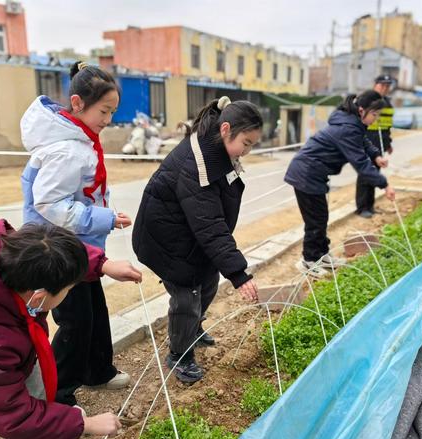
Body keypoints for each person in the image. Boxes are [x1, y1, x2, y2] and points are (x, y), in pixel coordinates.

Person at [0, 220, 142, 439]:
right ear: (38, 298)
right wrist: (85, 425)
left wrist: (103, 264)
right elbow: (14, 413)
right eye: (69, 289)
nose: (70, 291)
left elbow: (51, 248)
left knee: (35, 386)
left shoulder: (10, 248)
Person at [20, 61, 133, 406]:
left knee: (94, 311)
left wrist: (103, 219)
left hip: (80, 246)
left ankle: (98, 369)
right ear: (78, 102)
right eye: (104, 110)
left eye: (113, 111)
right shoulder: (66, 148)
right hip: (59, 248)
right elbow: (50, 205)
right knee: (74, 322)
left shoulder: (78, 139)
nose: (108, 119)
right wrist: (104, 218)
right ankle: (58, 392)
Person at [132, 96, 262, 384]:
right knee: (186, 298)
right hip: (167, 239)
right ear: (226, 128)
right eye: (247, 143)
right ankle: (179, 354)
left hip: (190, 233)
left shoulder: (216, 147)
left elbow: (210, 221)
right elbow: (210, 224)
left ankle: (193, 329)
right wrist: (239, 273)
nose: (248, 151)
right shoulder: (196, 164)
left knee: (208, 284)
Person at [285, 90, 396, 278]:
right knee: (315, 220)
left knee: (321, 217)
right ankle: (309, 261)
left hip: (313, 173)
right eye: (374, 115)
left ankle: (322, 255)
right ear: (362, 110)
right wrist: (384, 184)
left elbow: (364, 141)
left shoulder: (352, 123)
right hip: (306, 173)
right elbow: (360, 163)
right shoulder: (347, 128)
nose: (375, 119)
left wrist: (376, 155)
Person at [356, 74, 395, 218]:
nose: (385, 88)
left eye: (387, 86)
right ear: (375, 85)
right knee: (365, 174)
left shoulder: (388, 104)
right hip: (367, 142)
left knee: (374, 174)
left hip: (379, 145)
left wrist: (388, 143)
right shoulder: (366, 100)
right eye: (382, 85)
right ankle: (361, 207)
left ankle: (370, 206)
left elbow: (387, 127)